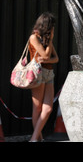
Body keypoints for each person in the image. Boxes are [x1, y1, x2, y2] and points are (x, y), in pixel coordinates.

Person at [28, 12, 59, 142]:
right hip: (38, 74)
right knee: (38, 108)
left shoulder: (47, 40)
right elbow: (47, 56)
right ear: (46, 26)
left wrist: (47, 58)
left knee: (48, 109)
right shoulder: (34, 38)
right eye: (52, 26)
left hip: (48, 74)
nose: (53, 29)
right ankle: (36, 139)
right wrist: (50, 42)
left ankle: (34, 139)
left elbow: (56, 59)